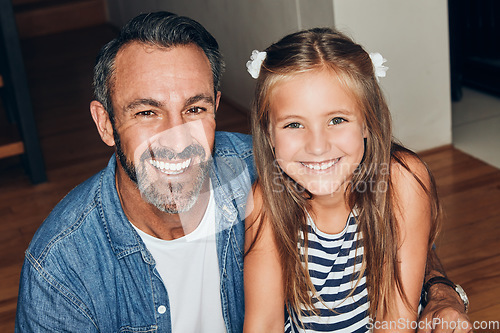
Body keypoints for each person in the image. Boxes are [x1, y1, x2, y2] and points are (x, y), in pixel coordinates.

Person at [15, 11, 469, 333]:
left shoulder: (274, 172)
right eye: (147, 113)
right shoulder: (62, 271)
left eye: (193, 108)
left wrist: (441, 291)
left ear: (215, 107)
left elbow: (390, 217)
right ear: (105, 123)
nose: (176, 138)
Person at [243, 28, 471, 333]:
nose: (317, 146)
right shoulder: (265, 202)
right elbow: (264, 323)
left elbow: (396, 322)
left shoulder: (401, 180)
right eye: (294, 124)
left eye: (337, 120)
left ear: (367, 121)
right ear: (269, 134)